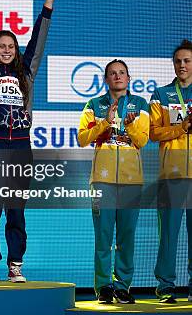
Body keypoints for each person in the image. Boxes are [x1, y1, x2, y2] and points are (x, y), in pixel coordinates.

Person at [0, 0, 62, 283]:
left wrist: (47, 6)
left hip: (21, 147)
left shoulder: (27, 73)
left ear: (15, 50)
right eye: (1, 46)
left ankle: (15, 263)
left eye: (11, 46)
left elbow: (39, 41)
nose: (6, 50)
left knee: (16, 211)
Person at [78, 59, 149, 304]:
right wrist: (104, 124)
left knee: (126, 237)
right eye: (112, 74)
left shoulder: (140, 105)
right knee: (103, 236)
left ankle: (122, 286)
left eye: (121, 73)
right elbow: (82, 139)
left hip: (132, 181)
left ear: (128, 79)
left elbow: (142, 141)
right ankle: (103, 287)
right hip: (102, 181)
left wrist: (128, 127)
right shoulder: (94, 104)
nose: (117, 77)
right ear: (106, 80)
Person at [150, 39, 192, 303]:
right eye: (178, 61)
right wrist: (181, 128)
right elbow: (153, 133)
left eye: (187, 61)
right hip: (172, 174)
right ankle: (166, 286)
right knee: (168, 234)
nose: (182, 65)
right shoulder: (161, 94)